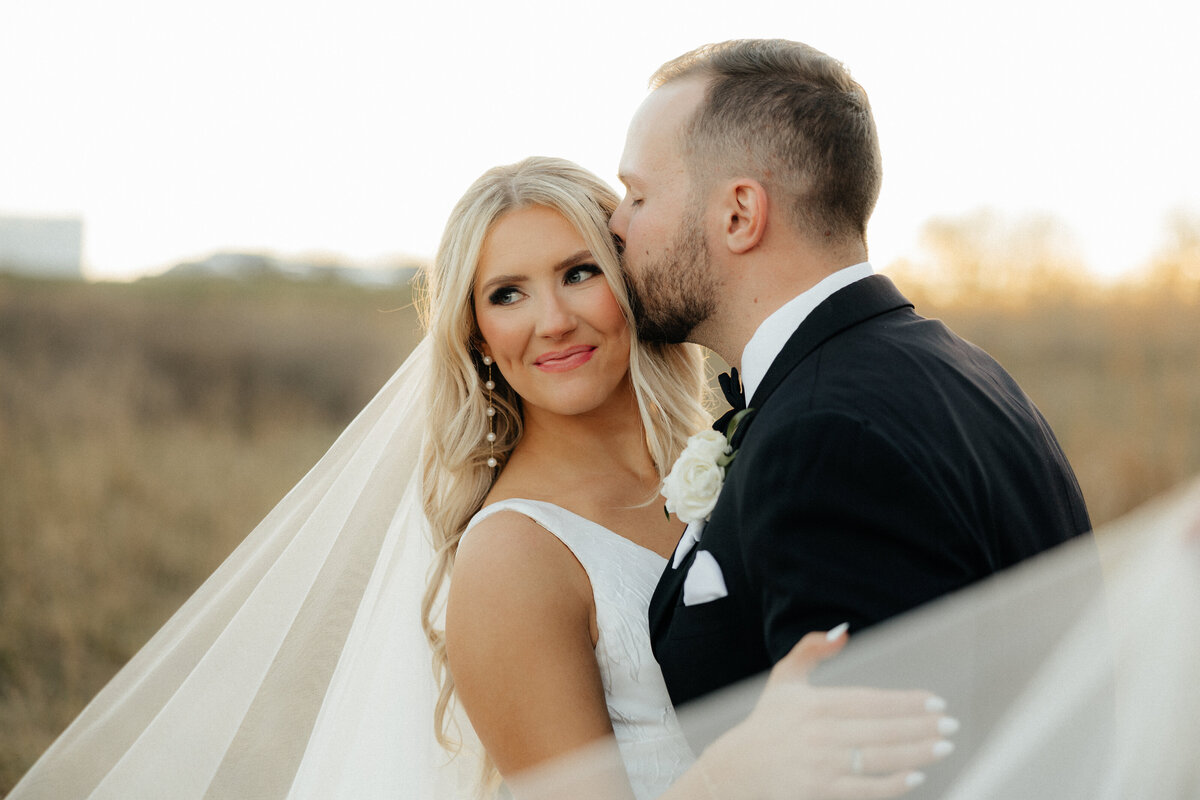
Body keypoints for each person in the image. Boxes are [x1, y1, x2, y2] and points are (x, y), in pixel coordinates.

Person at [7, 156, 955, 800]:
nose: (553, 319)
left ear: (631, 281)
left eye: (580, 271)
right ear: (477, 338)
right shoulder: (513, 558)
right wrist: (744, 769)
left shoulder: (730, 457)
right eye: (507, 293)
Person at [609, 38, 1092, 712]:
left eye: (636, 196)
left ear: (739, 214)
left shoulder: (825, 438)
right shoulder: (959, 367)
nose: (615, 225)